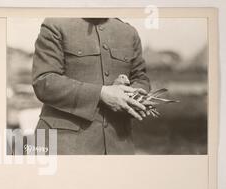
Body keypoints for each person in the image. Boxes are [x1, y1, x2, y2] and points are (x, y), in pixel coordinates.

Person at [32, 18, 151, 155]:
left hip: (118, 147)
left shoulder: (129, 32)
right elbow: (44, 82)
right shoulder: (56, 25)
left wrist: (130, 93)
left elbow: (141, 78)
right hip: (65, 146)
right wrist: (101, 93)